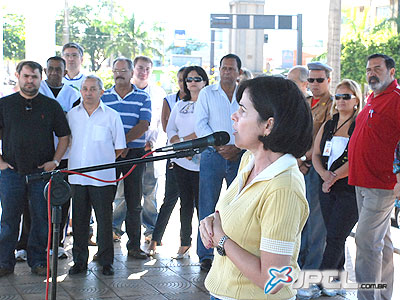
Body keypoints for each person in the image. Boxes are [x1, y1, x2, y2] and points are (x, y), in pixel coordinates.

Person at [199, 76, 313, 300]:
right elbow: (237, 215)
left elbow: (273, 279)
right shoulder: (248, 161)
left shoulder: (283, 187)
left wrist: (222, 240)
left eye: (242, 110)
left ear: (268, 125)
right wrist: (211, 221)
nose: (233, 116)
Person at [0, 61, 70, 277]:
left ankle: (38, 261)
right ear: (18, 76)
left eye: (34, 77)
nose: (30, 81)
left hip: (42, 174)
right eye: (26, 76)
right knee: (9, 221)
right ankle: (4, 263)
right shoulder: (4, 104)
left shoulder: (50, 106)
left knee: (41, 219)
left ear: (41, 78)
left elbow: (65, 137)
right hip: (11, 173)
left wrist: (56, 162)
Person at [348, 53, 400, 300]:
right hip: (362, 181)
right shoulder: (373, 98)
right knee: (382, 245)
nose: (371, 73)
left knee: (366, 244)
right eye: (369, 69)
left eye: (377, 68)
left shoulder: (397, 99)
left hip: (383, 183)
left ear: (392, 72)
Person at [305, 79, 361, 298]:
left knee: (336, 236)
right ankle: (336, 278)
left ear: (356, 100)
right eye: (338, 96)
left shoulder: (360, 123)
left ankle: (321, 280)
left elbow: (357, 157)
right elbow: (317, 153)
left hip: (348, 188)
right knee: (334, 234)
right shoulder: (331, 123)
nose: (340, 101)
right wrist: (323, 175)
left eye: (346, 96)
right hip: (327, 187)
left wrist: (334, 177)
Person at [67, 75, 126, 276]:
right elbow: (67, 143)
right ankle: (79, 261)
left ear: (102, 92)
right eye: (85, 88)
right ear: (80, 91)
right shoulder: (71, 115)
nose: (89, 92)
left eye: (93, 89)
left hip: (103, 178)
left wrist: (101, 160)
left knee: (104, 220)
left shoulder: (112, 115)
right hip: (77, 177)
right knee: (80, 221)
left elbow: (119, 148)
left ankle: (106, 261)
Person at [194, 54, 244, 271]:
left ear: (238, 73)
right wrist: (219, 146)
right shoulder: (207, 93)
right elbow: (200, 124)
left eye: (231, 69)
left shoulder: (246, 95)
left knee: (238, 206)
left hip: (240, 155)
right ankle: (205, 254)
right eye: (224, 68)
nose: (227, 72)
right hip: (212, 155)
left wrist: (237, 148)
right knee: (207, 204)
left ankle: (236, 251)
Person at [102, 57, 151, 259]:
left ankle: (134, 247)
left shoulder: (142, 97)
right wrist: (116, 147)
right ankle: (104, 249)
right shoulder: (103, 96)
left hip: (134, 154)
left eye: (123, 70)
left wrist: (123, 144)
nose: (119, 74)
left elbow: (143, 124)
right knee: (104, 201)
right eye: (116, 71)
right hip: (108, 155)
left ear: (131, 73)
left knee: (134, 202)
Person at [163, 66, 209, 258]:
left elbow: (206, 128)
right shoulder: (180, 105)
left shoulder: (209, 104)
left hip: (202, 161)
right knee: (185, 204)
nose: (193, 82)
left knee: (203, 206)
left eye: (197, 79)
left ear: (205, 81)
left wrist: (188, 145)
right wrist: (179, 145)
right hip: (181, 160)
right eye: (189, 79)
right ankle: (184, 242)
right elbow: (170, 128)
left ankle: (205, 247)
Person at [298, 61, 333, 271]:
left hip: (316, 168)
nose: (315, 84)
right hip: (298, 166)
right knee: (299, 220)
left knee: (315, 224)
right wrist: (297, 160)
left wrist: (304, 158)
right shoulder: (304, 103)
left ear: (328, 81)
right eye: (311, 80)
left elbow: (325, 138)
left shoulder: (333, 105)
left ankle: (311, 270)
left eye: (319, 80)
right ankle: (298, 264)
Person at [147, 67, 186, 253]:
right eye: (180, 80)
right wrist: (183, 141)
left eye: (188, 79)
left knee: (191, 203)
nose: (184, 83)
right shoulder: (170, 100)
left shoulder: (203, 100)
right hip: (175, 154)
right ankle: (155, 239)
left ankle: (186, 242)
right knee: (170, 199)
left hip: (197, 157)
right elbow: (167, 128)